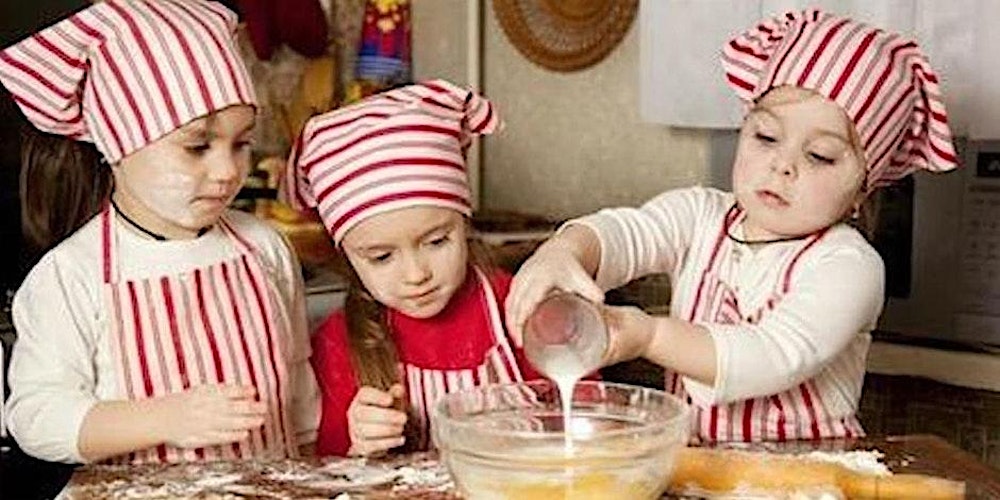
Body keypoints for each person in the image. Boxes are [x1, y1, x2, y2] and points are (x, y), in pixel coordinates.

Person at [506, 8, 958, 443]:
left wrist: (647, 334)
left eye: (818, 155)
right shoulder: (699, 215)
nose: (782, 165)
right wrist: (564, 252)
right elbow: (627, 233)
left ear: (864, 186)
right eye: (766, 136)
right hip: (696, 467)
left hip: (807, 477)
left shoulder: (849, 267)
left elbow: (771, 355)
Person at [1, 0, 318, 465]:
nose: (228, 170)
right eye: (197, 146)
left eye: (242, 142)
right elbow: (36, 416)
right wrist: (165, 419)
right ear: (117, 143)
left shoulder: (265, 247)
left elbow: (299, 387)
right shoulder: (73, 274)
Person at [283, 79, 543, 457]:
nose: (415, 274)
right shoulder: (340, 342)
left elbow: (587, 419)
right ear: (348, 257)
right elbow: (328, 472)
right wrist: (360, 444)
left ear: (464, 222)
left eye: (437, 242)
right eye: (382, 257)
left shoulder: (521, 306)